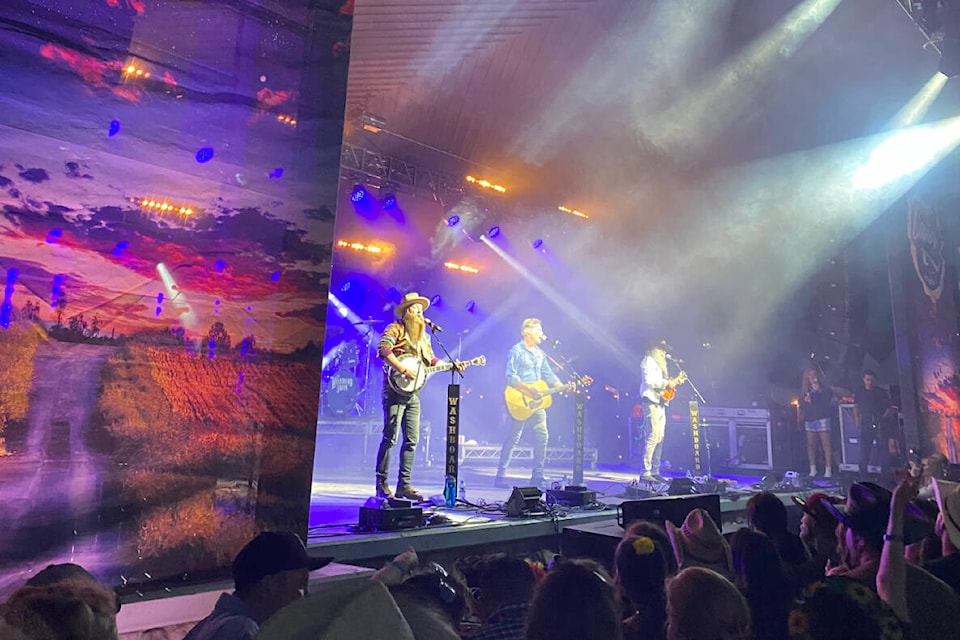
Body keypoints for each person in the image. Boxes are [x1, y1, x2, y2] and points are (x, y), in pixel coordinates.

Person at [182, 531, 332, 640]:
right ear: (270, 585)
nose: (306, 597)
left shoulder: (217, 624)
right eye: (300, 587)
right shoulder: (241, 631)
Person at [375, 292, 440, 500]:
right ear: (407, 312)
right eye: (416, 309)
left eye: (422, 310)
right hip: (394, 391)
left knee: (412, 440)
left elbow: (430, 360)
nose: (420, 314)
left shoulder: (424, 337)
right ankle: (382, 485)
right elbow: (384, 349)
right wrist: (402, 369)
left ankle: (404, 485)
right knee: (390, 437)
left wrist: (451, 365)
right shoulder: (396, 328)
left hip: (413, 393)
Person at [496, 318, 572, 488]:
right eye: (539, 331)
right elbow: (510, 376)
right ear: (528, 333)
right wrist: (527, 389)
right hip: (518, 400)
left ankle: (537, 476)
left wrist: (561, 385)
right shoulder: (516, 351)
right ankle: (500, 476)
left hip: (536, 403)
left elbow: (548, 374)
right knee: (513, 437)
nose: (542, 334)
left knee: (542, 436)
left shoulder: (540, 353)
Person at [639, 340, 686, 482]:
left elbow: (663, 385)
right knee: (653, 436)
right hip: (651, 401)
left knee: (660, 438)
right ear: (655, 350)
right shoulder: (648, 361)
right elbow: (650, 381)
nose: (664, 353)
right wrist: (667, 383)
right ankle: (645, 472)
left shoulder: (660, 366)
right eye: (662, 350)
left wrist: (674, 383)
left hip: (661, 403)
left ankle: (655, 470)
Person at [853, 370, 894, 477]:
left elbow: (889, 408)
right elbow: (856, 406)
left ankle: (886, 475)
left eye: (871, 380)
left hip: (879, 425)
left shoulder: (881, 392)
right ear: (864, 380)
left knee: (884, 452)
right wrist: (857, 420)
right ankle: (862, 476)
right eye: (867, 380)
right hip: (865, 425)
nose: (869, 382)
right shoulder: (860, 392)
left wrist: (882, 419)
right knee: (864, 452)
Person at [800, 367, 833, 478]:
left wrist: (819, 391)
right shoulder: (805, 390)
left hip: (822, 418)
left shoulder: (823, 388)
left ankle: (828, 469)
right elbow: (801, 404)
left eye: (814, 374)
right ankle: (812, 469)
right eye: (810, 375)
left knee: (826, 443)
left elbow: (827, 400)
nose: (812, 377)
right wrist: (806, 401)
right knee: (811, 444)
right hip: (810, 419)